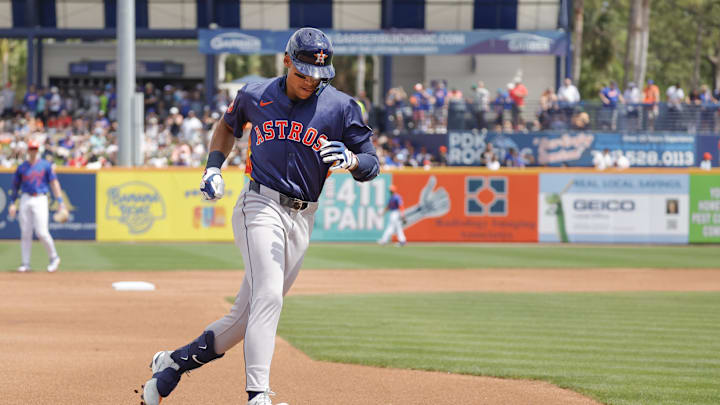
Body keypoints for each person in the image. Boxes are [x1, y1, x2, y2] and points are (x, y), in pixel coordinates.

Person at [140, 27, 379, 405]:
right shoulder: (255, 94)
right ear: (286, 61)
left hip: (303, 216)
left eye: (319, 74)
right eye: (303, 72)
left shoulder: (340, 106)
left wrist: (352, 161)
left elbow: (371, 161)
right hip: (259, 204)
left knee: (242, 318)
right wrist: (213, 167)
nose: (311, 80)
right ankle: (258, 396)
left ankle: (171, 363)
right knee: (268, 296)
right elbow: (227, 126)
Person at [7, 139, 64, 272]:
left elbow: (54, 183)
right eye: (31, 148)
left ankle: (54, 257)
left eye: (35, 149)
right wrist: (12, 203)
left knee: (42, 232)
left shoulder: (45, 165)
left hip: (40, 198)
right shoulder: (22, 167)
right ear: (28, 150)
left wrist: (60, 201)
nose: (33, 151)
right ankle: (26, 263)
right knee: (25, 233)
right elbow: (15, 187)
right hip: (25, 198)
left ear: (38, 150)